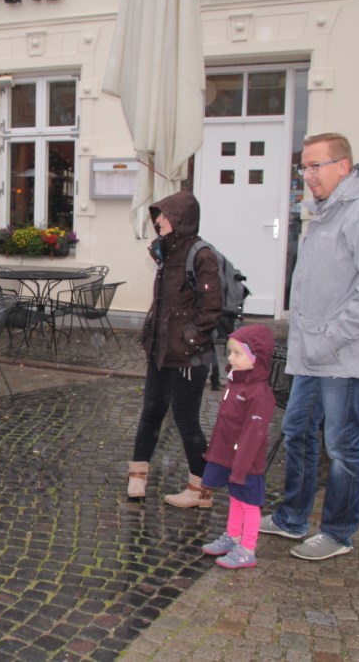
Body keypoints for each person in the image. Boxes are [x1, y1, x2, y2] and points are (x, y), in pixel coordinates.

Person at [259, 132, 359, 561]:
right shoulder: (324, 211)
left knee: (341, 446)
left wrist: (334, 338)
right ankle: (292, 518)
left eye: (315, 166)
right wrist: (310, 341)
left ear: (343, 166)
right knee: (297, 431)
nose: (307, 175)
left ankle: (338, 532)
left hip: (344, 355)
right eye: (304, 167)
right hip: (312, 353)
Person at [127, 192, 222, 507]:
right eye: (158, 215)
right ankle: (137, 476)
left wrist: (188, 341)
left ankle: (201, 489)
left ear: (181, 218)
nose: (158, 221)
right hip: (161, 350)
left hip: (188, 357)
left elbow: (211, 309)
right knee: (151, 412)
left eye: (164, 215)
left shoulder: (202, 254)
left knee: (186, 420)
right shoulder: (165, 251)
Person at [200, 324, 277, 569]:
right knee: (235, 497)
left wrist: (242, 466)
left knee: (249, 502)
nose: (230, 358)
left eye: (237, 353)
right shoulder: (236, 382)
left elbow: (253, 435)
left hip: (247, 461)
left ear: (256, 359)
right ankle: (233, 536)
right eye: (230, 352)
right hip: (231, 455)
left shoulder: (259, 394)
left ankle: (247, 548)